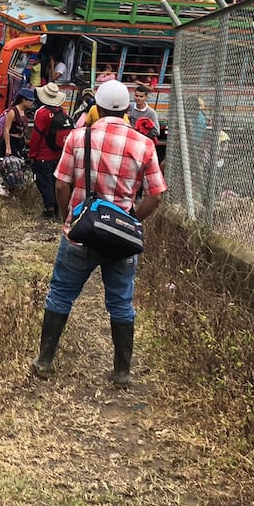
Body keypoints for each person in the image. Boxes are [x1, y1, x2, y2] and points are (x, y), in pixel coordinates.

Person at [30, 80, 167, 387]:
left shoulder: (79, 138)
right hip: (120, 237)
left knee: (62, 293)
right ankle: (121, 371)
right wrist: (132, 219)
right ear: (127, 110)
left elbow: (62, 184)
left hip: (81, 232)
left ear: (97, 108)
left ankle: (45, 361)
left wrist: (69, 216)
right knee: (120, 302)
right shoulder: (143, 144)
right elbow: (156, 194)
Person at [28, 82, 69, 220]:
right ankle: (58, 208)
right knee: (54, 181)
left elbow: (36, 136)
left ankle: (49, 209)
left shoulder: (42, 113)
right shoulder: (62, 111)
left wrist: (32, 154)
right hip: (58, 153)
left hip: (43, 154)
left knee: (43, 182)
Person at [0, 86, 37, 159]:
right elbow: (6, 130)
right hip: (12, 140)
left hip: (20, 140)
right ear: (24, 100)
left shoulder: (24, 111)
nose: (32, 103)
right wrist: (8, 147)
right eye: (30, 101)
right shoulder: (13, 112)